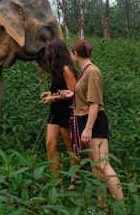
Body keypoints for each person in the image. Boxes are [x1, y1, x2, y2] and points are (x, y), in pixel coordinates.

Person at [70, 40, 124, 201]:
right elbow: (84, 96)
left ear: (75, 54)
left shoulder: (92, 71)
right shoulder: (85, 71)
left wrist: (88, 128)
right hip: (84, 119)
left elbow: (95, 103)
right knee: (95, 165)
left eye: (71, 52)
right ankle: (102, 205)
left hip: (93, 121)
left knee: (103, 164)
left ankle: (121, 207)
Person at [41, 38, 79, 184]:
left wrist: (54, 97)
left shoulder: (66, 70)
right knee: (50, 144)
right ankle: (55, 179)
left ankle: (74, 180)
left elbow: (73, 93)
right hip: (55, 110)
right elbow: (59, 90)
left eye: (49, 50)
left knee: (70, 146)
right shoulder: (56, 68)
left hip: (66, 111)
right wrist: (49, 94)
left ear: (55, 52)